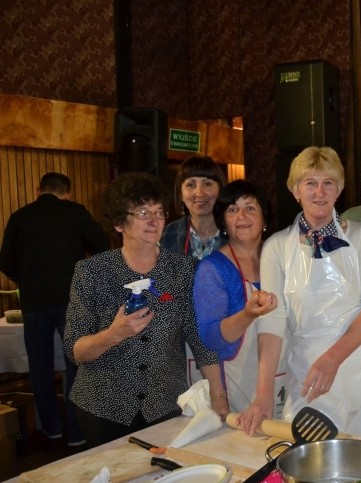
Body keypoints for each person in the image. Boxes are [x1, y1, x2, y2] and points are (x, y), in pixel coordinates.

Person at [63, 172, 228, 447]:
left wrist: (219, 397)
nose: (154, 221)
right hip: (103, 407)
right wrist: (114, 334)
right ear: (119, 223)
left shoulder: (183, 270)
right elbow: (74, 349)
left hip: (164, 404)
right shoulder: (91, 272)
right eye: (143, 212)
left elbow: (201, 342)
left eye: (159, 212)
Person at [257, 146, 361, 436]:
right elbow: (272, 320)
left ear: (339, 189)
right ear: (295, 190)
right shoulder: (276, 248)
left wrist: (334, 358)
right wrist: (264, 393)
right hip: (307, 373)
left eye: (328, 183)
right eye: (310, 183)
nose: (320, 192)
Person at [0, 172, 109, 447]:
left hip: (34, 301)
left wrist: (23, 278)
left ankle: (50, 429)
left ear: (39, 190)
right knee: (75, 363)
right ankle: (76, 431)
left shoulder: (20, 216)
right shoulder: (75, 212)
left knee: (39, 365)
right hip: (71, 297)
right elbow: (102, 244)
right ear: (68, 193)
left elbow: (6, 262)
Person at [194, 180, 280, 435]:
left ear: (264, 217)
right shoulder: (213, 269)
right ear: (223, 220)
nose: (241, 216)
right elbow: (212, 339)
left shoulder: (281, 258)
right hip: (240, 388)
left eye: (250, 208)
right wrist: (247, 315)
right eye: (232, 209)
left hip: (288, 375)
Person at [161, 155, 227, 259]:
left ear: (220, 190)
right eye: (191, 185)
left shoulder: (236, 234)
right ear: (181, 194)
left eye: (207, 184)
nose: (199, 193)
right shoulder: (165, 236)